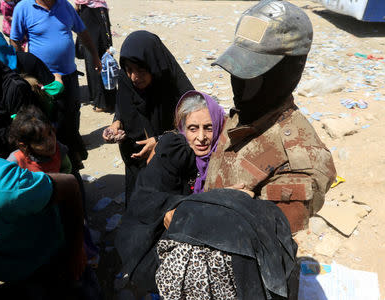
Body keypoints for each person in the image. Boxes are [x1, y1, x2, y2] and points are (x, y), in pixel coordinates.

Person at [115, 91, 297, 299]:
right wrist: (215, 200)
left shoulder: (226, 153)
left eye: (208, 128)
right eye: (193, 129)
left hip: (199, 229)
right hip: (157, 237)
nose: (201, 138)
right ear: (183, 128)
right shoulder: (173, 152)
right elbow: (152, 204)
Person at [202, 0, 337, 233]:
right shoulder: (251, 111)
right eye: (236, 71)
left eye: (252, 74)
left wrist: (231, 209)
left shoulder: (298, 162)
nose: (239, 85)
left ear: (291, 70)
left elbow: (266, 244)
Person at [0, 154, 85, 298]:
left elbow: (70, 185)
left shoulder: (0, 190)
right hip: (11, 274)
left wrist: (76, 250)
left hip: (54, 257)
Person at [102, 30, 194, 205]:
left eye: (141, 70)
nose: (134, 77)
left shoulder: (169, 84)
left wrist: (160, 141)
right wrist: (116, 124)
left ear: (154, 65)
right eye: (129, 70)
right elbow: (123, 106)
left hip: (167, 162)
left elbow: (192, 124)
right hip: (135, 159)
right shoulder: (126, 79)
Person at [10, 0, 102, 171]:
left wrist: (95, 56)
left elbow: (82, 32)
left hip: (69, 75)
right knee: (49, 122)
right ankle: (55, 163)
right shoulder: (24, 8)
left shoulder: (65, 6)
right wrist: (23, 72)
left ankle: (72, 155)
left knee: (72, 114)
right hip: (43, 80)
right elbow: (15, 41)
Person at [75, 0, 115, 112]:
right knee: (93, 57)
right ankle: (101, 99)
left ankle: (104, 102)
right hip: (90, 11)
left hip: (94, 12)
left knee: (96, 58)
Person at [7, 105, 72, 174]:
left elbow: (67, 167)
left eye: (50, 133)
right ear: (24, 146)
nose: (49, 141)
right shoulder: (16, 161)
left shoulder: (59, 150)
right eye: (40, 140)